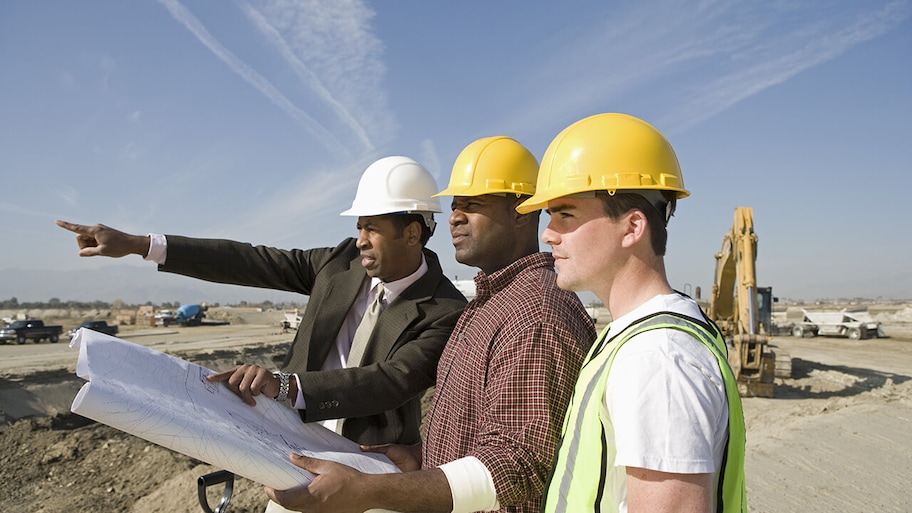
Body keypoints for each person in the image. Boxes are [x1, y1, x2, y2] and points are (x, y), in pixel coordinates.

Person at [263, 136, 597, 513]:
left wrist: (370, 490)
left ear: (520, 212)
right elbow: (483, 432)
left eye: (471, 205)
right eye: (454, 206)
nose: (453, 217)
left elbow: (518, 463)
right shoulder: (496, 302)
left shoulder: (533, 315)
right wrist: (421, 458)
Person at [56, 156, 467, 451]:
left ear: (412, 234)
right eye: (359, 227)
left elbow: (390, 380)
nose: (360, 239)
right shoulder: (340, 263)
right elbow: (252, 260)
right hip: (289, 447)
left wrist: (288, 385)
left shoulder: (444, 309)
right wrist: (139, 244)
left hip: (369, 464)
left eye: (372, 229)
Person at [514, 113, 747, 513]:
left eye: (565, 214)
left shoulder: (658, 357)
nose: (548, 233)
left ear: (632, 227)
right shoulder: (635, 337)